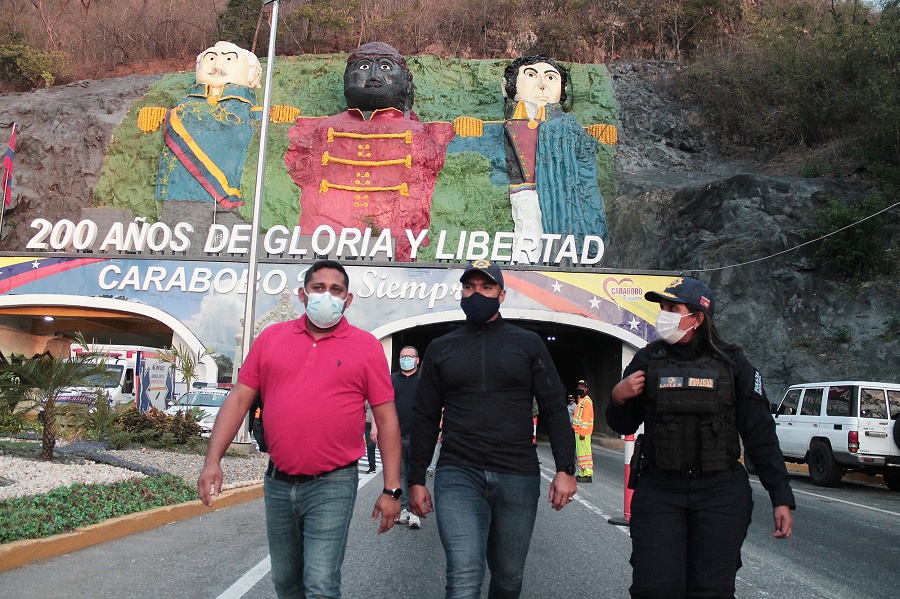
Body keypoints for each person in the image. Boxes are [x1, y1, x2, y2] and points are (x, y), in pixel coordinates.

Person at [198, 259, 402, 599]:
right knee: (286, 582)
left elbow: (387, 419)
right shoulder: (271, 339)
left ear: (348, 299)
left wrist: (392, 489)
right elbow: (238, 400)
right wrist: (212, 461)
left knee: (321, 583)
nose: (327, 296)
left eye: (335, 290)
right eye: (318, 288)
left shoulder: (365, 346)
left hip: (333, 483)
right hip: (278, 483)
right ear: (303, 295)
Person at [607, 276, 795, 599]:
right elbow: (621, 421)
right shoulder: (648, 360)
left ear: (697, 317)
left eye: (672, 308)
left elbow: (760, 435)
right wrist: (618, 396)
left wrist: (781, 496)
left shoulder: (734, 365)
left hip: (719, 493)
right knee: (655, 589)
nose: (663, 314)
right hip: (661, 491)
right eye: (662, 307)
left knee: (711, 591)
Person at [408, 259, 578, 599]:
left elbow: (555, 407)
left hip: (517, 474)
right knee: (464, 573)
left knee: (509, 576)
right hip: (458, 473)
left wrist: (566, 468)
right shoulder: (442, 347)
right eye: (469, 287)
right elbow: (425, 416)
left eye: (486, 288)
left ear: (501, 294)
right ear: (461, 292)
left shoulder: (528, 344)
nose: (476, 294)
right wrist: (414, 479)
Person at [284, 42, 455, 261]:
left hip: (395, 229)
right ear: (347, 78)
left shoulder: (424, 131)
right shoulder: (322, 127)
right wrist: (278, 121)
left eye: (385, 68)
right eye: (364, 67)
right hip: (325, 228)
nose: (374, 75)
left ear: (404, 82)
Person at [139, 41, 263, 208]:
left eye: (228, 60)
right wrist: (164, 116)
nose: (217, 65)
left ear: (253, 76)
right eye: (210, 58)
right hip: (177, 195)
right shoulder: (178, 110)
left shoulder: (252, 110)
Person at [380, 345, 422, 528]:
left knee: (415, 474)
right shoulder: (391, 380)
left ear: (417, 360)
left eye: (410, 356)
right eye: (402, 356)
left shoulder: (424, 379)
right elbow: (381, 404)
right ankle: (403, 508)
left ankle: (415, 512)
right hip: (395, 435)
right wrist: (376, 427)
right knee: (399, 474)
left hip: (418, 434)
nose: (406, 360)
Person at [573, 379, 594, 482]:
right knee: (580, 454)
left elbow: (586, 419)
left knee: (585, 454)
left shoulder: (586, 401)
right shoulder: (580, 400)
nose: (579, 388)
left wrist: (583, 433)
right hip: (578, 431)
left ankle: (588, 474)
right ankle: (582, 473)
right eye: (578, 386)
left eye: (582, 387)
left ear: (586, 389)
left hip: (583, 433)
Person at [364, 402, 377, 473]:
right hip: (368, 422)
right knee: (370, 445)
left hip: (378, 422)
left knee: (383, 445)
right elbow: (364, 408)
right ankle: (372, 465)